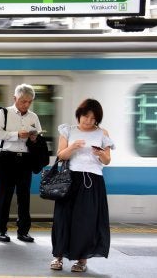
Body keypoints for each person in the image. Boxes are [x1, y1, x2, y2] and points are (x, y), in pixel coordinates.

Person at [50, 99, 113, 273]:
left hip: (92, 182)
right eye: (86, 116)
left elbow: (107, 161)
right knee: (63, 218)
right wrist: (72, 147)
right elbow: (61, 156)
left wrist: (101, 154)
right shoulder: (68, 131)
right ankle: (58, 256)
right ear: (79, 114)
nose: (88, 121)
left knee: (86, 222)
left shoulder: (102, 133)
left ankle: (82, 260)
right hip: (70, 180)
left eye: (93, 118)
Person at [0, 84, 42, 243]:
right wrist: (16, 135)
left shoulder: (33, 117)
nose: (26, 105)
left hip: (25, 160)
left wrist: (34, 138)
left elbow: (38, 136)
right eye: (23, 101)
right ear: (15, 99)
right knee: (5, 196)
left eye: (29, 102)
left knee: (24, 197)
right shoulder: (4, 112)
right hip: (7, 159)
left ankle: (23, 231)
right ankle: (1, 230)